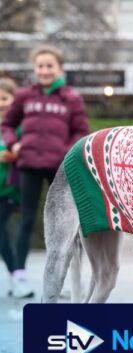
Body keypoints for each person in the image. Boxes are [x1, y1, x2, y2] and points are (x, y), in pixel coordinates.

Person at [1, 45, 88, 298]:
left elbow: (81, 132)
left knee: (70, 223)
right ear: (34, 69)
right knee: (27, 220)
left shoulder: (71, 98)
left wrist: (67, 151)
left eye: (50, 65)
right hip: (28, 164)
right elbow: (7, 123)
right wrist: (12, 143)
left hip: (60, 169)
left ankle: (73, 281)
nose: (45, 70)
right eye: (40, 66)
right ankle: (19, 278)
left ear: (60, 68)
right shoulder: (25, 96)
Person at [0, 78, 27, 298]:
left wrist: (13, 155)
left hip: (10, 189)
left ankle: (17, 277)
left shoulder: (20, 127)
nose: (0, 103)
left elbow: (29, 153)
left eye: (4, 98)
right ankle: (14, 277)